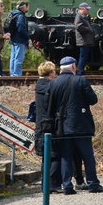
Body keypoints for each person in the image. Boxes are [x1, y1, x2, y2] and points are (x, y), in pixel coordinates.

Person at [47, 56, 103, 194]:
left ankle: (67, 185)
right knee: (87, 156)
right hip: (81, 125)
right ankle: (93, 183)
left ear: (61, 68)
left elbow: (49, 106)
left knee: (66, 156)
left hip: (62, 126)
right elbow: (93, 100)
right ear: (73, 67)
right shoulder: (81, 80)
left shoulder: (53, 83)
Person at [32, 60, 64, 191]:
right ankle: (52, 184)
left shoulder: (40, 85)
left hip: (41, 125)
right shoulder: (49, 87)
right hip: (48, 125)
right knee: (54, 154)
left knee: (47, 157)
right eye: (54, 71)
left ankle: (46, 184)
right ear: (51, 73)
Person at [8, 0, 30, 76]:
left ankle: (12, 74)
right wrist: (27, 36)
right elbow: (21, 28)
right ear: (24, 7)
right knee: (18, 59)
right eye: (27, 6)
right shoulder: (21, 16)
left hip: (14, 39)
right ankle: (17, 75)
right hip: (20, 40)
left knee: (13, 58)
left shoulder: (15, 14)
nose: (28, 8)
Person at [73, 2, 96, 74]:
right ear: (82, 9)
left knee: (84, 57)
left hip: (85, 40)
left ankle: (81, 70)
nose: (88, 10)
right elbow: (78, 26)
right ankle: (80, 71)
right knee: (83, 57)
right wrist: (88, 29)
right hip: (83, 40)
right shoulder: (79, 16)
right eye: (87, 9)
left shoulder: (84, 16)